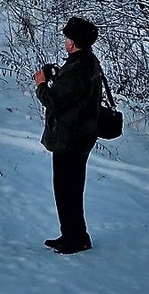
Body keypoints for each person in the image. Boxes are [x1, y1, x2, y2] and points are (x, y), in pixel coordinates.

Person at [33, 16, 103, 255]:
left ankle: (76, 238)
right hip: (79, 135)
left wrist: (41, 84)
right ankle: (73, 234)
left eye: (67, 38)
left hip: (71, 138)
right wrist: (56, 75)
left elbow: (55, 101)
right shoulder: (86, 61)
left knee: (66, 189)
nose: (65, 42)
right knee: (70, 189)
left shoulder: (79, 67)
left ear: (73, 42)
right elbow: (72, 93)